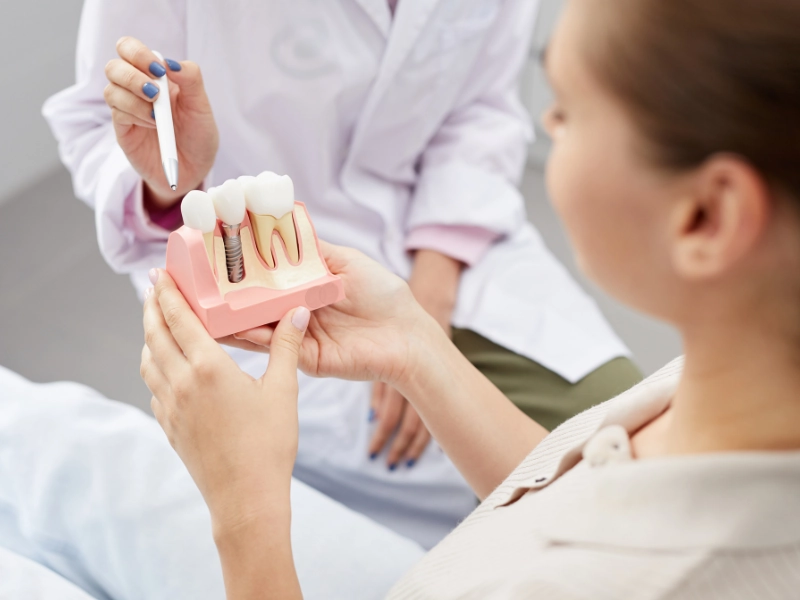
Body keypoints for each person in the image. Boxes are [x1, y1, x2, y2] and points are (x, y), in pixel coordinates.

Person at [137, 0, 800, 596]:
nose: (544, 120)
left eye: (566, 111)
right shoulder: (733, 389)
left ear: (705, 218)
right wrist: (414, 347)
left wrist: (246, 514)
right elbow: (579, 499)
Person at [42, 0, 640, 546]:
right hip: (254, 264)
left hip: (453, 241)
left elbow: (481, 108)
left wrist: (432, 286)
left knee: (626, 446)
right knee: (522, 514)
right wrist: (172, 178)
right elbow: (100, 127)